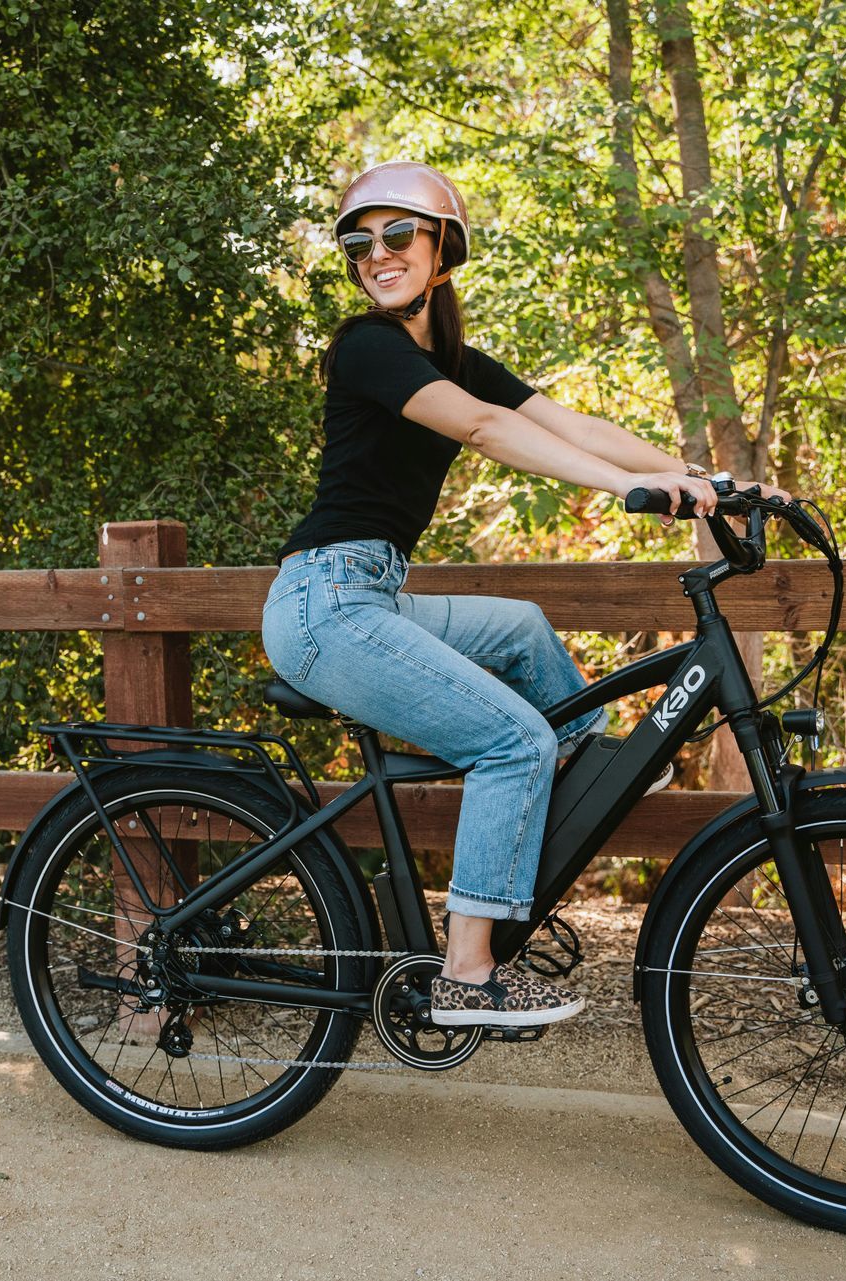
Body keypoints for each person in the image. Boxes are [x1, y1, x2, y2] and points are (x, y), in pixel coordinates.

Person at [262, 161, 789, 1029]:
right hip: (326, 603)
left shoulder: (458, 360)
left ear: (443, 248)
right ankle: (467, 974)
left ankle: (581, 767)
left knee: (521, 629)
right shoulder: (367, 346)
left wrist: (700, 478)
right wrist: (624, 491)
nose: (376, 255)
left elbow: (568, 423)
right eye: (360, 243)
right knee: (512, 740)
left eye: (398, 235)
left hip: (372, 595)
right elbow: (484, 428)